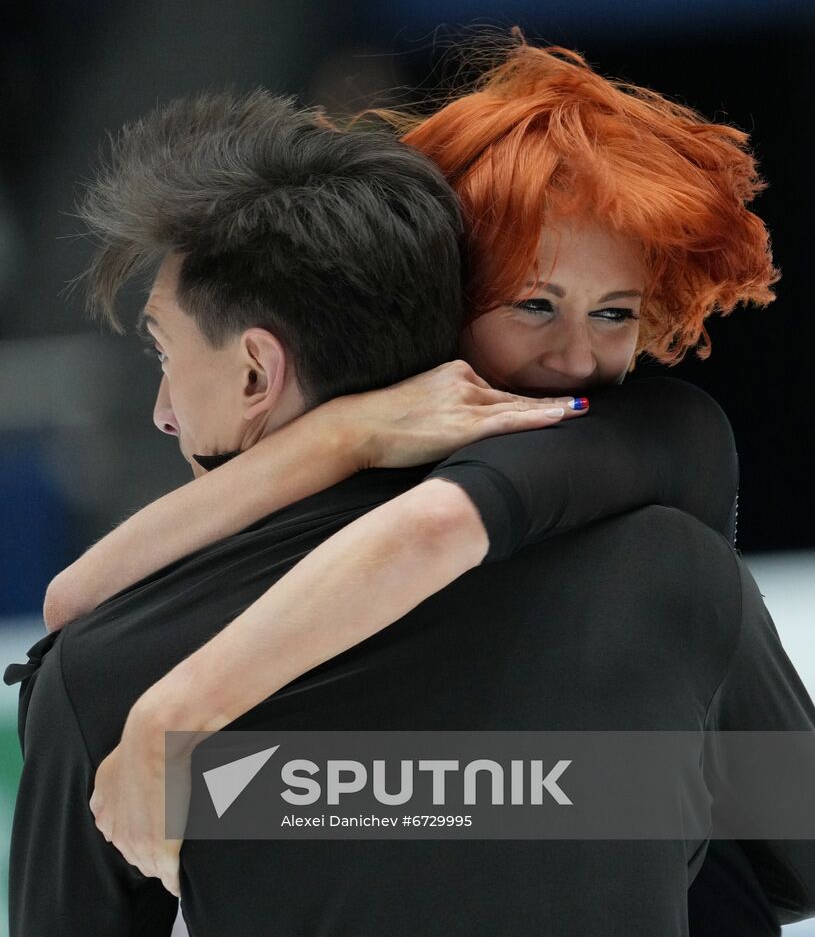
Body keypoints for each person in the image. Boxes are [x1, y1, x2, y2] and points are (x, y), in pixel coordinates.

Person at [6, 49, 812, 935]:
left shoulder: (106, 668)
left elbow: (75, 607)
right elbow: (791, 857)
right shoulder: (668, 564)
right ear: (451, 291)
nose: (577, 359)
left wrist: (172, 717)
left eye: (615, 313)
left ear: (254, 370)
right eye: (533, 305)